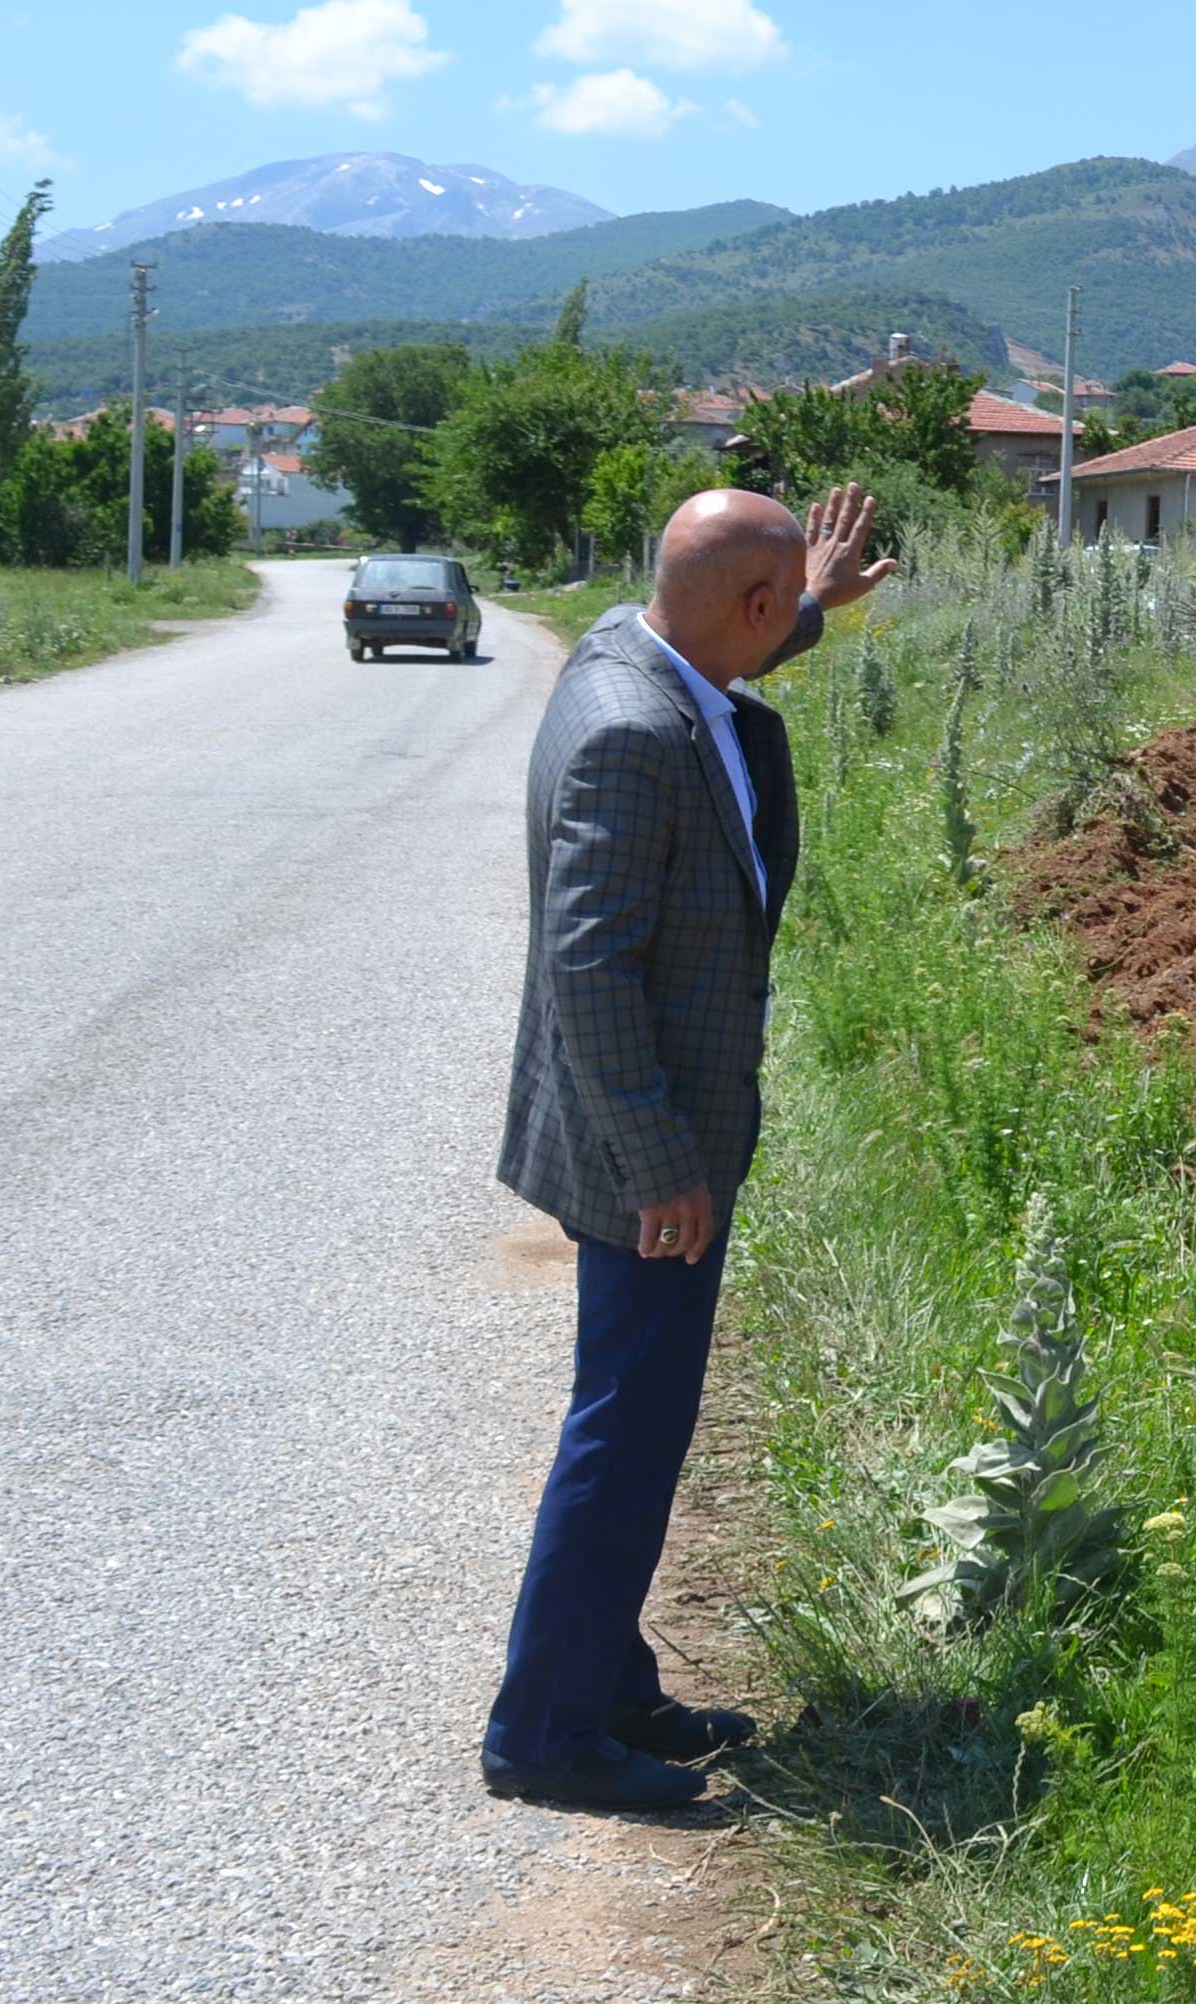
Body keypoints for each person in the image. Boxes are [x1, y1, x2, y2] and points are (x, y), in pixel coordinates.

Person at [481, 483, 897, 1813]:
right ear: (749, 609)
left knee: (644, 1428)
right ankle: (545, 1734)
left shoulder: (638, 645)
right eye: (781, 614)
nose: (784, 635)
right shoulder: (628, 736)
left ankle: (604, 1686)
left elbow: (739, 642)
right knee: (624, 1432)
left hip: (649, 1131)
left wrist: (815, 605)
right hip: (641, 1148)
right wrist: (664, 1164)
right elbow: (594, 973)